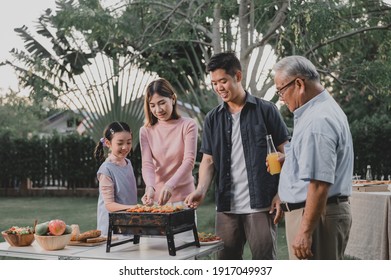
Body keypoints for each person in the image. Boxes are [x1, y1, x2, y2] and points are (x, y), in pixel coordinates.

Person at [185, 52, 290, 260]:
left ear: (238, 77)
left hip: (261, 204)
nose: (219, 88)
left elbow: (287, 153)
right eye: (214, 83)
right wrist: (201, 190)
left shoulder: (267, 111)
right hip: (226, 207)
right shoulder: (212, 119)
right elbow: (208, 160)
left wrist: (281, 193)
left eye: (223, 81)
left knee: (263, 264)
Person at [272, 55, 353, 260]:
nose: (281, 97)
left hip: (316, 218)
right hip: (318, 214)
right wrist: (288, 161)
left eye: (281, 89)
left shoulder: (318, 120)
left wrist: (305, 232)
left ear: (299, 83)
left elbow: (319, 183)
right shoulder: (317, 111)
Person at [140, 78, 198, 207]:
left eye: (162, 103)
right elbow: (147, 164)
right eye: (152, 105)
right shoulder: (146, 131)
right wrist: (150, 187)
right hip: (156, 200)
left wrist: (170, 185)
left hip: (185, 199)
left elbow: (189, 161)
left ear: (172, 99)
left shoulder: (188, 125)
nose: (158, 110)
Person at [94, 121, 138, 236]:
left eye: (128, 142)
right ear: (108, 143)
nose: (125, 147)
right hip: (112, 231)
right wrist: (136, 208)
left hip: (128, 223)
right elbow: (109, 205)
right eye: (120, 143)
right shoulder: (106, 170)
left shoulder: (128, 163)